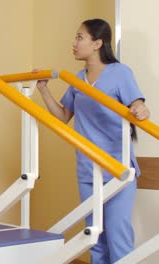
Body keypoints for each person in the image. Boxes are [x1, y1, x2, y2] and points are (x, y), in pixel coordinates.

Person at [35, 19, 150, 263]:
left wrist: (140, 109)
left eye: (80, 37)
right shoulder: (77, 79)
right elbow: (64, 116)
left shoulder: (120, 73)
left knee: (118, 237)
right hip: (88, 169)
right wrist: (44, 90)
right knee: (95, 239)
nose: (74, 43)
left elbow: (137, 104)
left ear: (97, 43)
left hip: (117, 169)